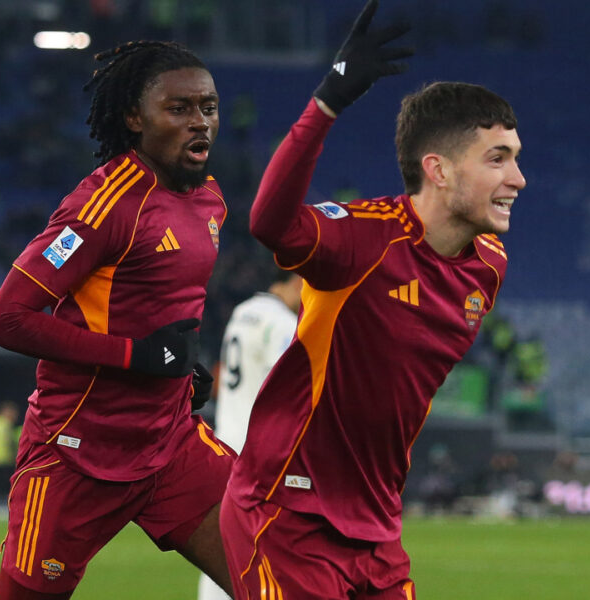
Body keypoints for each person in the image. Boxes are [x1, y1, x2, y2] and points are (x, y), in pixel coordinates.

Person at [219, 2, 526, 598]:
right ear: (436, 169)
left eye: (515, 158)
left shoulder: (489, 266)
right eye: (498, 159)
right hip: (289, 514)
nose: (518, 179)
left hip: (377, 531)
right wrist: (327, 101)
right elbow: (270, 224)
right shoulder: (363, 238)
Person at [0, 40, 234, 600]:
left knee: (283, 573)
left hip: (171, 446)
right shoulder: (104, 205)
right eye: (180, 108)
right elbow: (7, 319)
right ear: (133, 117)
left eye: (209, 107)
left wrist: (180, 371)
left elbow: (157, 306)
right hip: (76, 455)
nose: (200, 123)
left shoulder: (210, 198)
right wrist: (136, 357)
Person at [198, 269, 302, 600]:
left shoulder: (243, 312)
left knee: (221, 547)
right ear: (299, 280)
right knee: (262, 552)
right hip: (259, 456)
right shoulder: (283, 324)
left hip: (224, 442)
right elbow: (294, 386)